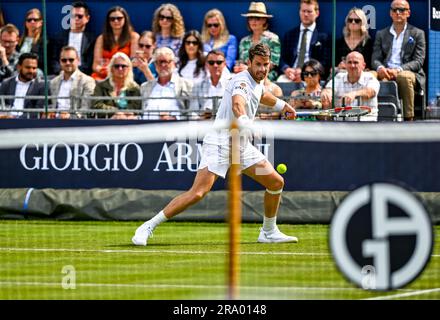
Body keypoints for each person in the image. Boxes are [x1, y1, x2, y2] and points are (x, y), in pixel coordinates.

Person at [132, 43, 298, 246]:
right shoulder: (241, 83)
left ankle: (269, 232)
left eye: (266, 64)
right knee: (198, 193)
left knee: (275, 182)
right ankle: (147, 226)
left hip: (241, 148)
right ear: (249, 63)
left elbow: (262, 94)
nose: (262, 69)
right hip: (220, 144)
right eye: (258, 64)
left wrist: (283, 106)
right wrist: (245, 122)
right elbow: (238, 104)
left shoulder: (257, 81)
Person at [371, 0, 426, 121]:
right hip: (385, 70)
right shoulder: (381, 34)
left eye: (401, 10)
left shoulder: (418, 33)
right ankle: (369, 116)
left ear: (408, 13)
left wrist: (399, 70)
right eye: (394, 10)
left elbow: (418, 61)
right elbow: (375, 58)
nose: (397, 13)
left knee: (404, 77)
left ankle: (408, 118)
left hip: (407, 72)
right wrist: (380, 68)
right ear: (390, 13)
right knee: (369, 75)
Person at [278, 0, 329, 83]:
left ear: (317, 13)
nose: (305, 14)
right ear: (299, 12)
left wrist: (306, 72)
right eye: (303, 11)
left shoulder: (324, 37)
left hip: (311, 76)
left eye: (309, 11)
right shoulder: (290, 35)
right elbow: (282, 58)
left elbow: (325, 62)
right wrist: (286, 69)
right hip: (291, 76)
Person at [321, 51, 379, 121]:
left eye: (356, 62)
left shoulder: (370, 77)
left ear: (363, 65)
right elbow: (329, 89)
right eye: (349, 62)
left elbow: (371, 92)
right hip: (340, 125)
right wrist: (326, 93)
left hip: (365, 124)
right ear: (345, 64)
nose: (352, 66)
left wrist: (354, 94)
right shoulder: (339, 77)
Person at [141, 47, 193, 120]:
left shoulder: (185, 85)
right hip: (146, 127)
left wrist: (175, 118)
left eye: (166, 62)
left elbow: (193, 113)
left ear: (173, 63)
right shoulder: (145, 87)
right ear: (155, 65)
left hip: (175, 128)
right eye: (160, 62)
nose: (163, 65)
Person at [235, 2, 281, 82]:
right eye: (251, 18)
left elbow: (273, 64)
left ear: (264, 20)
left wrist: (250, 69)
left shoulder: (273, 38)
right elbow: (241, 61)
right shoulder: (244, 41)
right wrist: (238, 67)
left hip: (266, 76)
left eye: (257, 18)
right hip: (245, 76)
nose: (253, 21)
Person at [91, 6, 139, 81]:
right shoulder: (101, 38)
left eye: (119, 18)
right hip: (103, 75)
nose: (116, 21)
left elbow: (134, 62)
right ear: (108, 21)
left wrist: (117, 71)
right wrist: (106, 71)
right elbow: (95, 65)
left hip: (124, 74)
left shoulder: (134, 37)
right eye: (112, 19)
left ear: (125, 19)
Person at [51, 1, 96, 75]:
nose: (76, 19)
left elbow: (89, 63)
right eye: (73, 16)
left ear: (87, 18)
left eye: (80, 16)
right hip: (61, 74)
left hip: (82, 75)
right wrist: (62, 71)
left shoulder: (91, 40)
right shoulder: (59, 37)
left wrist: (76, 73)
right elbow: (54, 60)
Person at [50, 46, 96, 119]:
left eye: (71, 60)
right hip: (53, 122)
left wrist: (70, 116)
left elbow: (86, 108)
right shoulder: (53, 82)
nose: (67, 63)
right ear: (60, 61)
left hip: (76, 124)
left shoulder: (87, 81)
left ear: (78, 60)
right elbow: (51, 105)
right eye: (64, 60)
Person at [92, 52, 141, 119]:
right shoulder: (101, 86)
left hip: (128, 123)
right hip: (106, 123)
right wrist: (115, 112)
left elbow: (136, 107)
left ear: (129, 69)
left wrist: (121, 115)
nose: (120, 69)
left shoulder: (134, 87)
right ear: (111, 69)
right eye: (117, 66)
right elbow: (97, 105)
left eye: (123, 66)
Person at [0, 52, 45, 118]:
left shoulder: (41, 85)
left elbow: (38, 110)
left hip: (28, 123)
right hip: (6, 121)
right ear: (19, 67)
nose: (31, 71)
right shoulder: (6, 83)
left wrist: (16, 118)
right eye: (28, 67)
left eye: (34, 68)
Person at [190, 49, 231, 117]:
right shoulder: (197, 86)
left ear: (224, 64)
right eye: (211, 62)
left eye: (219, 62)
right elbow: (193, 112)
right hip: (203, 124)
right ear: (206, 65)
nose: (215, 65)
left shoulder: (232, 85)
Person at [17, 8, 47, 76]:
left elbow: (43, 62)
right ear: (25, 23)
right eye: (29, 20)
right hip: (17, 70)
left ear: (41, 23)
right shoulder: (19, 41)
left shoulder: (44, 41)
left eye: (35, 20)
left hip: (34, 71)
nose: (32, 22)